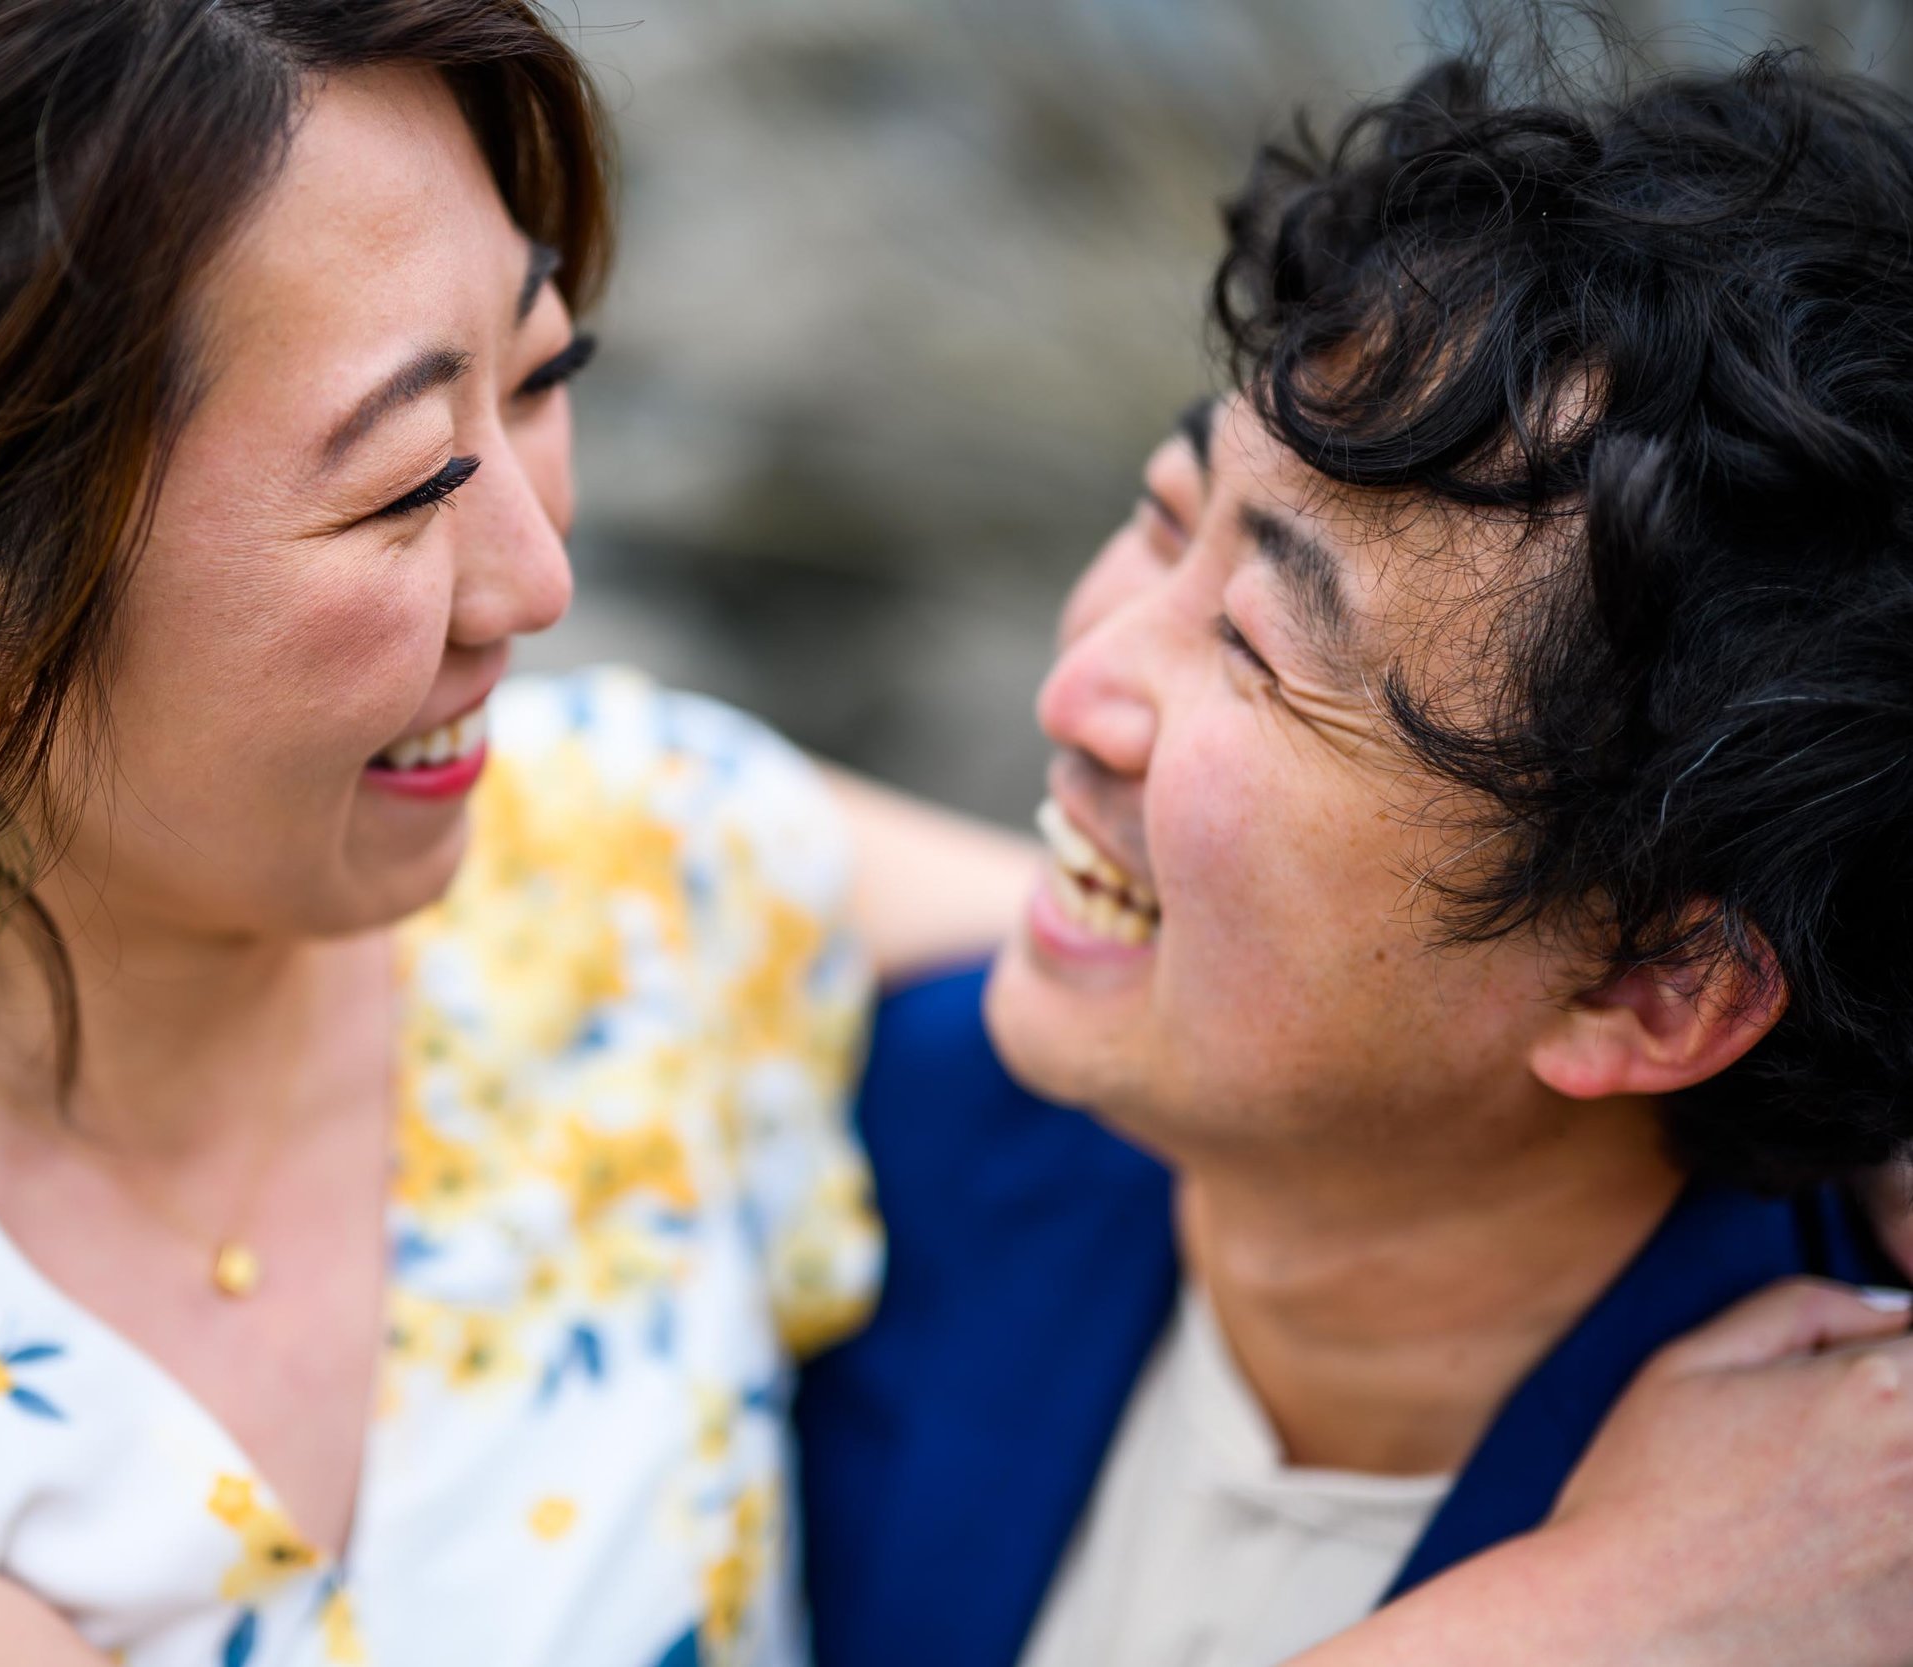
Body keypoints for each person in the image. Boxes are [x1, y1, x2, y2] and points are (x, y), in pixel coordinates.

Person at [0, 4, 1905, 1664]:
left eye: (544, 382)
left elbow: (1350, 969)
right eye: (402, 482)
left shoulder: (633, 878)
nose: (538, 576)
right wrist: (1595, 1616)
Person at [797, 41, 1913, 1667]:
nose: (1082, 688)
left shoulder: (1844, 1544)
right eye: (1171, 517)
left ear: (1653, 983)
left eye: (1254, 650)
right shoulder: (858, 1137)